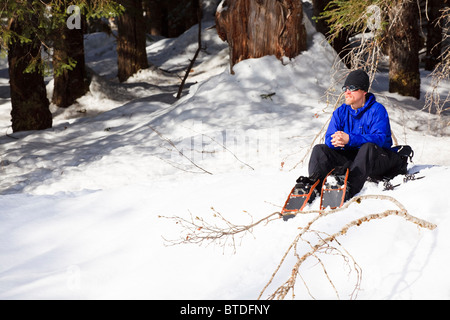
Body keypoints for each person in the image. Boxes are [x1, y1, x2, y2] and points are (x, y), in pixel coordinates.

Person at [298, 69, 407, 202]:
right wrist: (336, 141)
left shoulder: (377, 110)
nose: (347, 92)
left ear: (364, 91)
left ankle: (348, 188)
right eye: (345, 88)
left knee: (368, 147)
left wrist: (350, 139)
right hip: (356, 160)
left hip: (379, 159)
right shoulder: (340, 112)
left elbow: (379, 138)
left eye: (353, 88)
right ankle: (315, 185)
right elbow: (328, 138)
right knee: (319, 149)